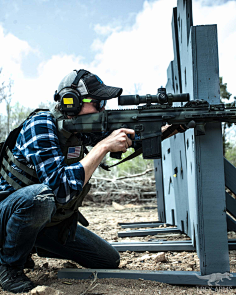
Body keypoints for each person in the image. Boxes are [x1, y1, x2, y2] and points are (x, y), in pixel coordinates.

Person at [0, 69, 184, 293]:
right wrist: (103, 146)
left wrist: (168, 126)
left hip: (49, 222)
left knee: (108, 260)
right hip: (9, 215)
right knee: (40, 196)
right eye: (97, 103)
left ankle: (28, 244)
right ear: (72, 102)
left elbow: (129, 139)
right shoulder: (41, 125)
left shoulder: (78, 130)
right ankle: (9, 266)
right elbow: (60, 190)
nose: (103, 109)